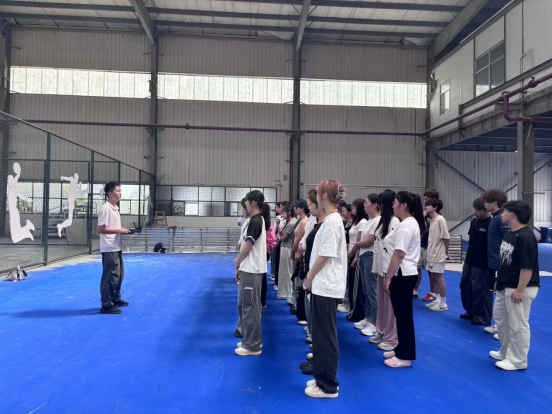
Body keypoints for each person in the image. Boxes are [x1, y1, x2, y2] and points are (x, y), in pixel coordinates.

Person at [304, 180, 347, 399]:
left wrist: (309, 276)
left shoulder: (331, 222)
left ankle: (328, 385)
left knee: (326, 336)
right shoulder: (332, 220)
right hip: (324, 284)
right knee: (321, 335)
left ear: (324, 197)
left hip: (326, 285)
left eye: (319, 193)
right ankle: (321, 376)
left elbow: (325, 254)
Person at [490, 201, 540, 371]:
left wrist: (520, 289)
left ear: (512, 214)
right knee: (501, 319)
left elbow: (527, 267)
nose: (501, 215)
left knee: (518, 324)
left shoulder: (526, 237)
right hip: (505, 284)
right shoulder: (510, 234)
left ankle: (518, 360)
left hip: (520, 287)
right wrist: (499, 280)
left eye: (504, 212)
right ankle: (506, 352)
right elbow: (506, 261)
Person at [382, 191, 426, 368]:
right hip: (402, 274)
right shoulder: (406, 223)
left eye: (395, 203)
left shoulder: (407, 225)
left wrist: (388, 277)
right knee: (401, 315)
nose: (393, 206)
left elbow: (399, 253)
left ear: (404, 205)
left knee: (404, 316)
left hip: (402, 275)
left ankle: (405, 356)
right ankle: (401, 348)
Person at [234, 190, 270, 356]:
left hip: (252, 270)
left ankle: (252, 345)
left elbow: (247, 248)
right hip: (249, 269)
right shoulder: (255, 220)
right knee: (247, 306)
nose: (246, 206)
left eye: (247, 203)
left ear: (253, 203)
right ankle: (251, 339)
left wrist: (237, 261)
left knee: (250, 308)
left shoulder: (256, 221)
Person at [300, 189, 326, 374]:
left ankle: (321, 363)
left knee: (322, 325)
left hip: (319, 279)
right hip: (313, 274)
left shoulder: (327, 225)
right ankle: (318, 355)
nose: (308, 206)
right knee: (315, 320)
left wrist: (309, 276)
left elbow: (323, 256)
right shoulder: (318, 223)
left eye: (310, 203)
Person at [371, 190, 400, 350]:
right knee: (381, 303)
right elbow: (378, 246)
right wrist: (376, 268)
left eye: (381, 203)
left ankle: (392, 338)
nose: (379, 206)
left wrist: (389, 273)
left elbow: (394, 250)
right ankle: (381, 331)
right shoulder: (383, 221)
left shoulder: (394, 222)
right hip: (380, 267)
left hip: (389, 270)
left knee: (390, 306)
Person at [97, 181, 131, 315]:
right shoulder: (105, 209)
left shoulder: (115, 208)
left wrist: (123, 231)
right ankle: (106, 304)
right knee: (109, 277)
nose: (120, 193)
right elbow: (101, 229)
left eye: (120, 191)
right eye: (118, 191)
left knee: (118, 275)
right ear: (110, 194)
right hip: (109, 248)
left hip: (116, 246)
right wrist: (119, 230)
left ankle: (115, 298)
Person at [460, 198, 493, 326]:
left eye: (478, 210)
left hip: (483, 263)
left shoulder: (490, 224)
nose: (475, 212)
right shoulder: (474, 221)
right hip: (470, 260)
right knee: (466, 286)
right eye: (475, 209)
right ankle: (471, 311)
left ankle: (482, 317)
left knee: (481, 290)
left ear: (486, 210)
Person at [481, 189, 510, 336]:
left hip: (500, 263)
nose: (484, 205)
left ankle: (503, 329)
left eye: (486, 202)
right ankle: (499, 325)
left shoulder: (501, 219)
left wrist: (502, 264)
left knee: (502, 296)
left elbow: (508, 241)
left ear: (494, 202)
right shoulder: (496, 218)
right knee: (498, 295)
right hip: (494, 262)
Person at [353, 194, 380, 337]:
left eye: (367, 203)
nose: (364, 205)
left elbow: (369, 241)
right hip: (364, 255)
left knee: (371, 290)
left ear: (375, 205)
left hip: (369, 255)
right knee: (365, 290)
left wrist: (356, 244)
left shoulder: (377, 221)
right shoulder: (369, 221)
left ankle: (375, 322)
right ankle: (368, 317)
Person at [424, 199, 451, 312]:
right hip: (431, 252)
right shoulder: (432, 220)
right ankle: (437, 300)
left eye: (429, 205)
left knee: (439, 278)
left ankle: (443, 304)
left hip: (438, 254)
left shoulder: (440, 219)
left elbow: (446, 237)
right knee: (434, 277)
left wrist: (446, 251)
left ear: (435, 207)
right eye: (426, 205)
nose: (426, 207)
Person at [346, 199, 369, 322]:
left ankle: (357, 312)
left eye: (354, 207)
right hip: (351, 253)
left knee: (356, 286)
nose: (352, 209)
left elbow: (358, 242)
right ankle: (353, 309)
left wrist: (353, 256)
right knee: (351, 284)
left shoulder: (363, 222)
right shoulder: (356, 222)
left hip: (355, 256)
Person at [419, 188, 439, 301]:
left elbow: (427, 230)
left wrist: (423, 219)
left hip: (429, 246)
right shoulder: (426, 214)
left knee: (431, 272)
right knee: (418, 268)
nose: (425, 200)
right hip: (422, 244)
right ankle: (414, 290)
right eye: (425, 198)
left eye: (428, 198)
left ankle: (433, 292)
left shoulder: (436, 217)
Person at [235, 198, 251, 338]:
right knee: (242, 302)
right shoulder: (246, 223)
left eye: (243, 208)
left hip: (249, 267)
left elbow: (247, 248)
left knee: (246, 302)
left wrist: (237, 262)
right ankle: (241, 327)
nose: (242, 211)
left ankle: (245, 330)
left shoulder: (254, 223)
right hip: (245, 265)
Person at [290, 200, 309, 312]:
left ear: (302, 208)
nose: (295, 209)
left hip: (299, 252)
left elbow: (298, 239)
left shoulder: (304, 222)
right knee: (295, 277)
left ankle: (298, 304)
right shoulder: (299, 220)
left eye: (296, 207)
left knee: (297, 278)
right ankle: (295, 301)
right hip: (297, 250)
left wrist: (293, 251)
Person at [57, 173, 88, 237]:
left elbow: (79, 190)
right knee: (80, 192)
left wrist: (80, 185)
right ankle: (60, 226)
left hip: (72, 199)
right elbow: (68, 178)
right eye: (76, 177)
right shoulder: (72, 179)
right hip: (71, 197)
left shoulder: (76, 185)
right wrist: (62, 177)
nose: (77, 179)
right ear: (75, 177)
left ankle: (60, 226)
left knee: (70, 222)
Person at [277, 205, 297, 301]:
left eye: (284, 212)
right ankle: (284, 292)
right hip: (285, 247)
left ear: (288, 212)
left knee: (287, 271)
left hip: (287, 248)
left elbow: (283, 237)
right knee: (284, 271)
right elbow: (281, 234)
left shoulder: (291, 223)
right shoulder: (288, 223)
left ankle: (287, 292)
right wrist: (278, 225)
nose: (282, 214)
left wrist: (279, 238)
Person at [337, 204, 353, 313]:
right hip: (343, 253)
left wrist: (347, 246)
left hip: (349, 253)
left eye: (343, 211)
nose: (342, 213)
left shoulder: (353, 224)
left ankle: (348, 302)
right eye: (341, 211)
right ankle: (344, 299)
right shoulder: (344, 224)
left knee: (349, 279)